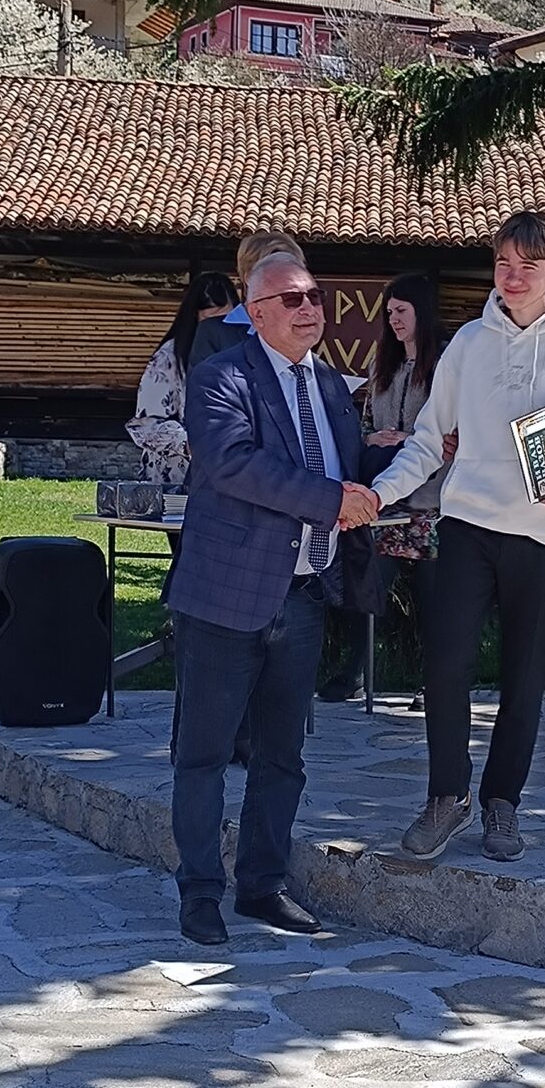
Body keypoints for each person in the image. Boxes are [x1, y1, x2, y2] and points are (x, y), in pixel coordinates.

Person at [372, 210, 545, 862]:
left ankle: (503, 802)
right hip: (468, 526)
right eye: (503, 263)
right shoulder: (468, 344)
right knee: (445, 666)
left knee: (524, 678)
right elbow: (427, 441)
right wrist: (378, 495)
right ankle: (448, 797)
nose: (513, 277)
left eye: (528, 266)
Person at [167, 251, 379, 945]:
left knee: (282, 757)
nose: (309, 308)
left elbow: (345, 467)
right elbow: (235, 465)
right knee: (204, 756)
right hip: (225, 596)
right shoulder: (219, 377)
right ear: (255, 314)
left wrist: (417, 457)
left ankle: (263, 886)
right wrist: (332, 500)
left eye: (314, 295)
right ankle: (200, 893)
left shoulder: (331, 384)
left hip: (303, 595)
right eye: (291, 299)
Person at [318, 271, 449, 701]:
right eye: (389, 312)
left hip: (434, 501)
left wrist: (411, 440)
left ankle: (437, 683)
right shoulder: (381, 365)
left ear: (422, 312)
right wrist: (375, 438)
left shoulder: (447, 365)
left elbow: (455, 434)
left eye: (401, 311)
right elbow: (365, 426)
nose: (394, 320)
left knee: (436, 600)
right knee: (367, 588)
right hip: (386, 501)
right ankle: (357, 671)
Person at [126, 270, 238, 489]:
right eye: (211, 322)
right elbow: (145, 426)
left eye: (226, 321)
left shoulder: (245, 353)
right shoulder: (168, 357)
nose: (218, 331)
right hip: (177, 479)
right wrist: (189, 443)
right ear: (195, 317)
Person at [186, 228, 307, 378]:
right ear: (250, 278)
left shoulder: (303, 329)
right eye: (277, 273)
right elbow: (204, 387)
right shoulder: (214, 332)